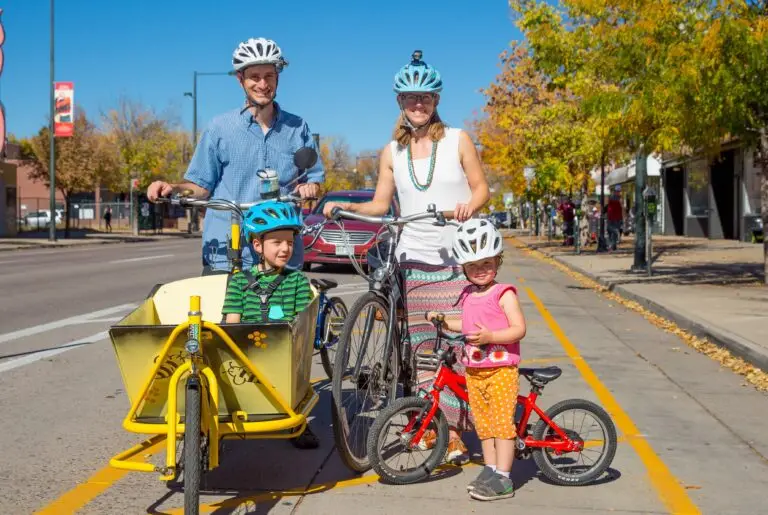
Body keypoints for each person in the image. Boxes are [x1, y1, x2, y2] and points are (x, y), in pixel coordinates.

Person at [323, 50, 490, 463]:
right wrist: (347, 207)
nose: (419, 104)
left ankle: (456, 431)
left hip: (457, 258)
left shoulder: (457, 140)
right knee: (422, 349)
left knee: (456, 345)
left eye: (426, 98)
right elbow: (381, 205)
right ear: (400, 101)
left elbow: (481, 189)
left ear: (436, 100)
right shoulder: (391, 153)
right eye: (411, 98)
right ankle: (437, 428)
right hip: (412, 258)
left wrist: (468, 207)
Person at [146, 37, 324, 274]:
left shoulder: (297, 128)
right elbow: (201, 186)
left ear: (278, 78)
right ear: (240, 80)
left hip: (281, 252)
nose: (263, 84)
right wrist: (172, 188)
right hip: (228, 249)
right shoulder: (219, 128)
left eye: (269, 76)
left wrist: (310, 187)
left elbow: (314, 178)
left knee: (291, 300)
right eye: (254, 77)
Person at [427, 219, 526, 501]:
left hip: (501, 370)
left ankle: (504, 478)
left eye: (486, 263)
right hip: (475, 371)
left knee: (502, 425)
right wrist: (444, 320)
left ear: (497, 261)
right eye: (472, 266)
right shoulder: (469, 295)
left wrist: (491, 336)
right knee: (484, 426)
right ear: (464, 268)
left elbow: (519, 329)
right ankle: (491, 469)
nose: (480, 270)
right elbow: (467, 325)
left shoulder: (504, 293)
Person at [222, 200, 319, 449]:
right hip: (247, 352)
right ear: (257, 245)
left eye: (290, 242)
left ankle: (298, 421)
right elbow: (232, 322)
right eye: (277, 242)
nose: (285, 248)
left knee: (294, 372)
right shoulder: (239, 281)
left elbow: (302, 323)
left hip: (283, 351)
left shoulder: (297, 281)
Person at [606, 185, 623, 251]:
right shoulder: (613, 198)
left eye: (619, 191)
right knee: (612, 231)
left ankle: (613, 246)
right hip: (612, 217)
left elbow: (622, 208)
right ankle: (611, 245)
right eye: (617, 191)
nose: (618, 192)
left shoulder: (617, 198)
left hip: (616, 217)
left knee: (612, 232)